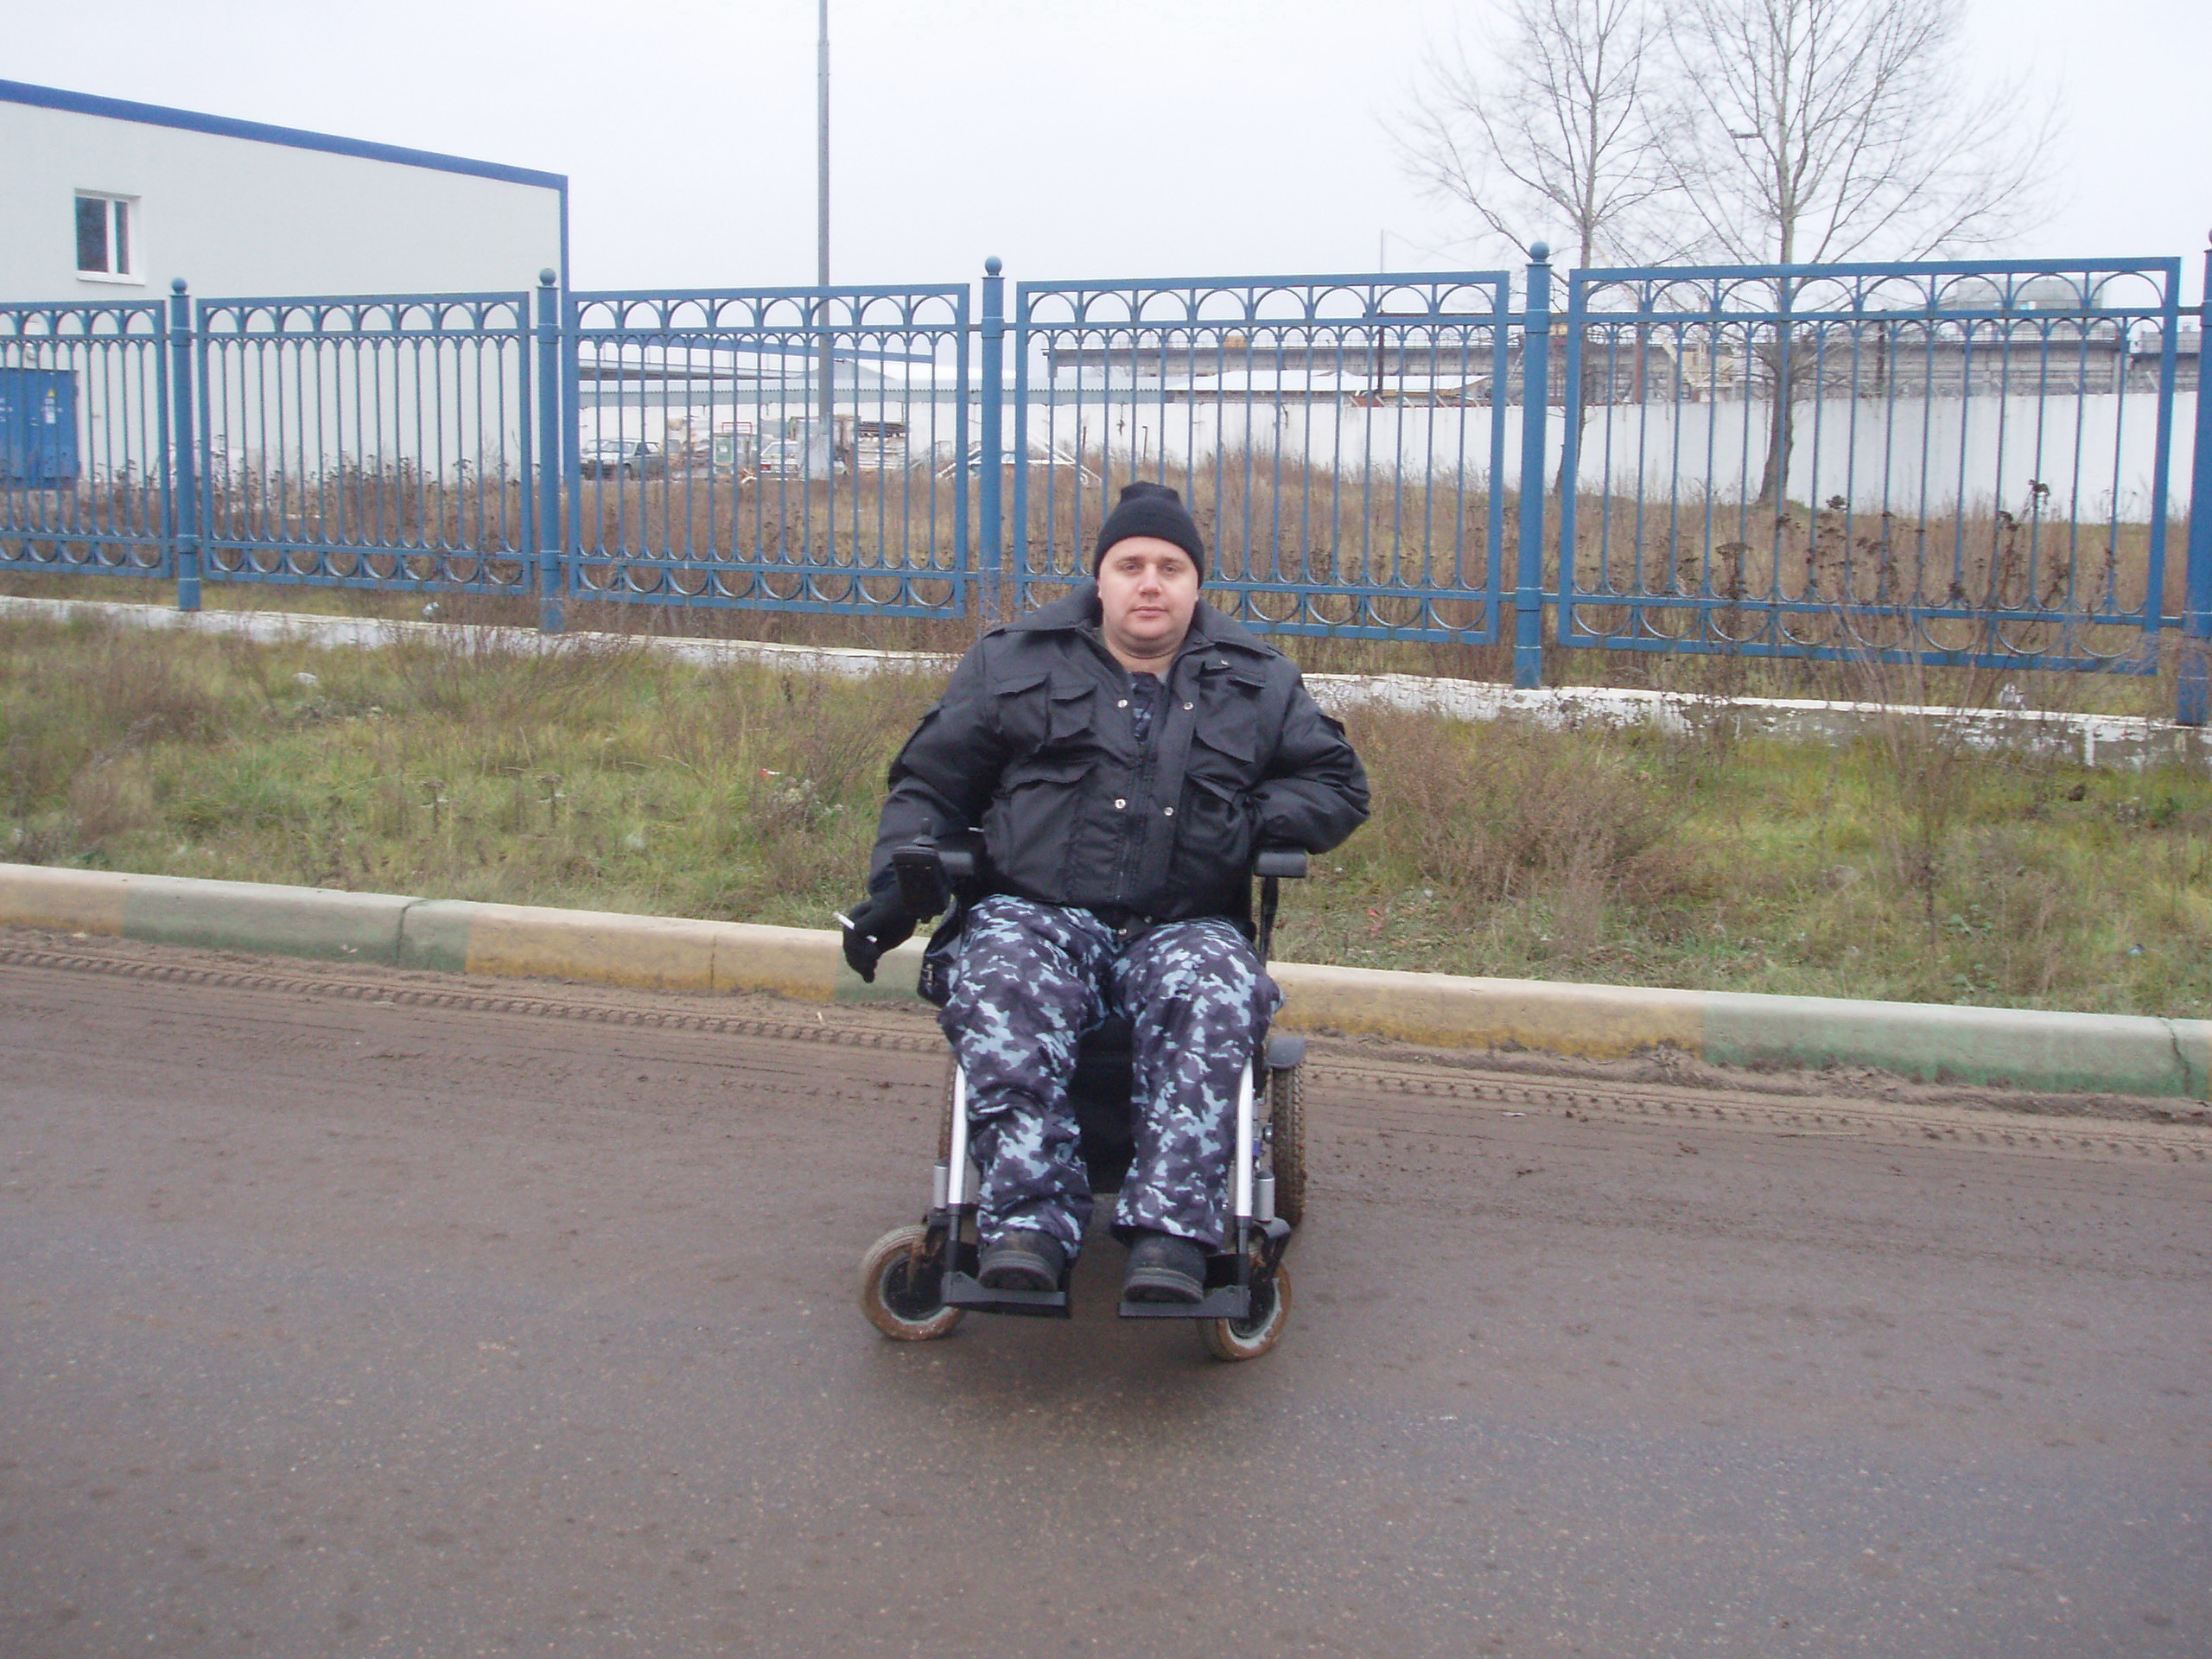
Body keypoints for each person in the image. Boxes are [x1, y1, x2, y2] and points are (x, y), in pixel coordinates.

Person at [840, 481, 1369, 1304]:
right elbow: (929, 787)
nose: (1150, 583)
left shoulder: (1257, 681)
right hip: (1037, 913)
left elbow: (1337, 784)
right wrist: (894, 893)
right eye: (1130, 565)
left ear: (1197, 584)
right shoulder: (1012, 661)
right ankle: (1026, 1226)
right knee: (1000, 975)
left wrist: (1245, 822)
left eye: (1170, 567)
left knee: (1216, 988)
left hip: (1185, 921)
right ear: (1100, 578)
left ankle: (1173, 1235)